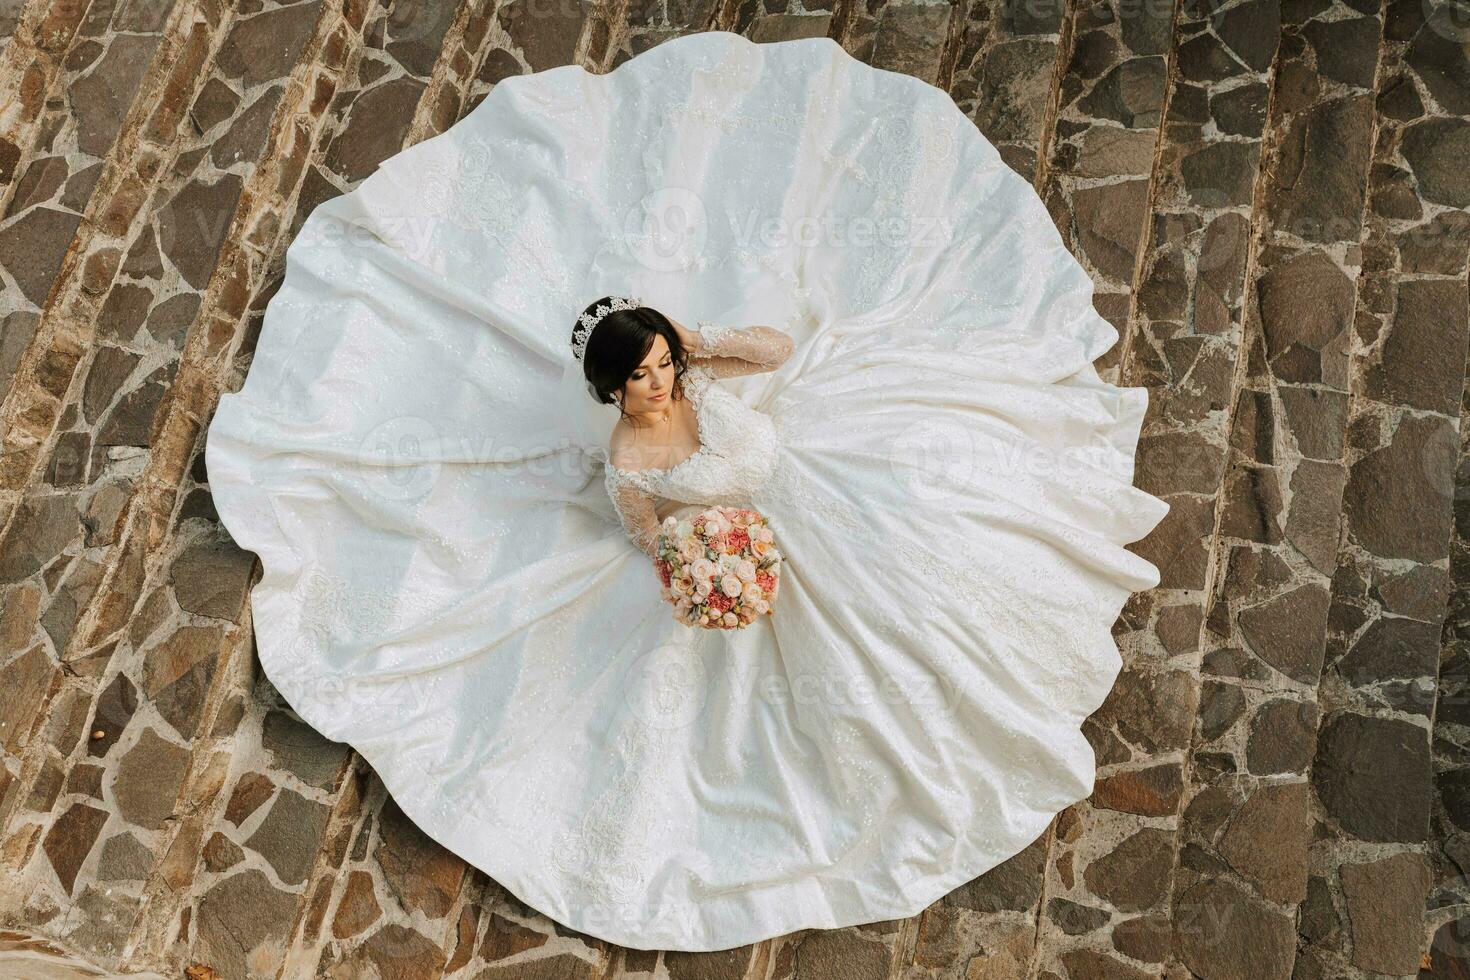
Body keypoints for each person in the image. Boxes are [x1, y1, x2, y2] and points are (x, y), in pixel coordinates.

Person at [205, 31, 1171, 952]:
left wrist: (700, 345)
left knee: (967, 531)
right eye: (643, 377)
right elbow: (644, 535)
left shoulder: (699, 373)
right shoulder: (629, 459)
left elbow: (780, 352)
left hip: (827, 467)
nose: (659, 384)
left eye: (662, 364)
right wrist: (710, 558)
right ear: (615, 393)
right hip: (737, 529)